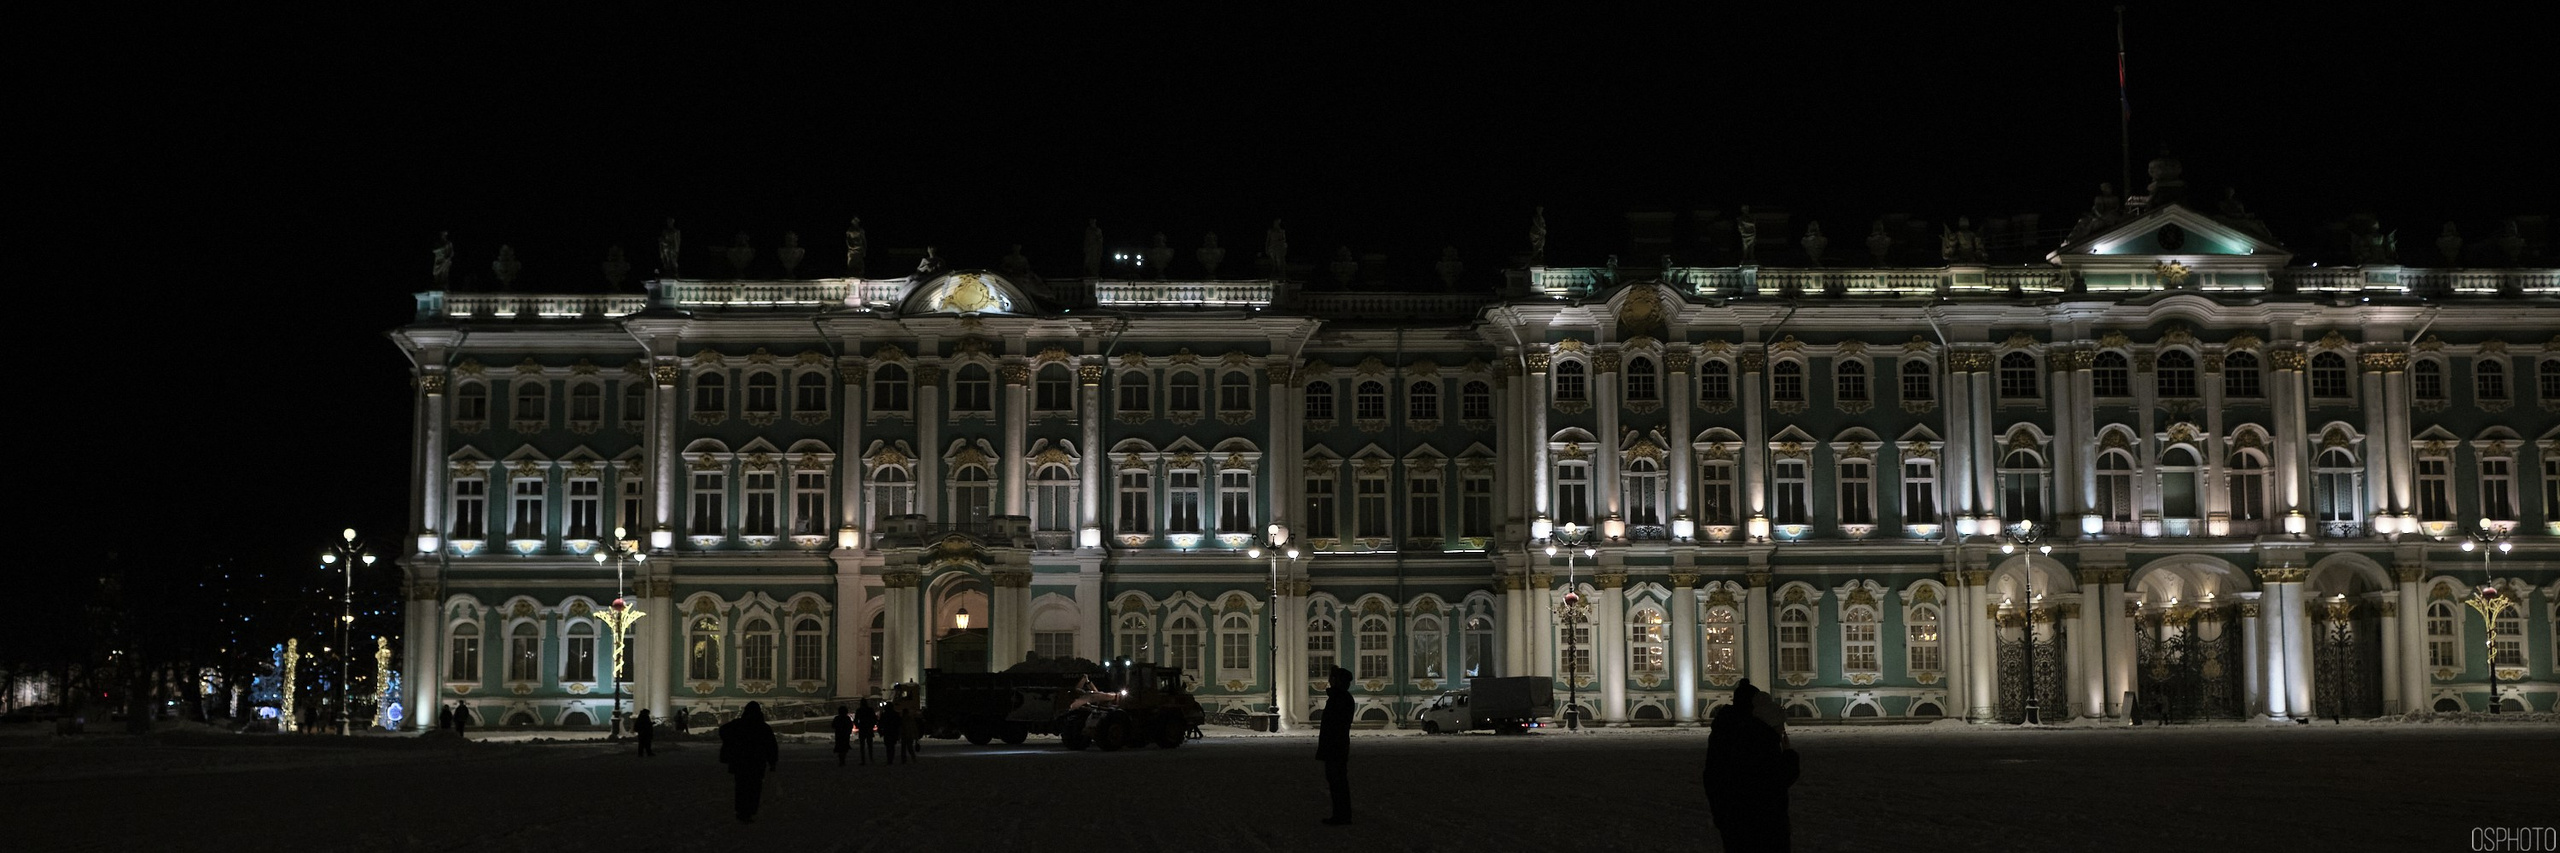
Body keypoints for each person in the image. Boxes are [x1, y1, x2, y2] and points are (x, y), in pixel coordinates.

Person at [1703, 679, 1792, 852]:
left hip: (1732, 819)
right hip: (1762, 823)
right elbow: (1777, 779)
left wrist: (1720, 815)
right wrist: (1789, 755)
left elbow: (1712, 777)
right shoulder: (1758, 738)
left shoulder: (1725, 730)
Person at [719, 702, 780, 823]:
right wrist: (772, 763)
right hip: (757, 763)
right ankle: (750, 810)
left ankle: (741, 811)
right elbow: (771, 747)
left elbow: (723, 731)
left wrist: (732, 742)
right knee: (755, 787)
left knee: (741, 787)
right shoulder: (763, 728)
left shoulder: (739, 725)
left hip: (740, 762)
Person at [1316, 665, 1355, 825]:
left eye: (1333, 678)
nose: (1329, 681)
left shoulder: (1339, 698)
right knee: (1336, 781)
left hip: (1335, 747)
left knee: (1337, 782)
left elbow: (1334, 725)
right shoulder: (1340, 697)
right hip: (1336, 746)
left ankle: (1341, 816)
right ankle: (1341, 814)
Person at [879, 697, 905, 765]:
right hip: (893, 732)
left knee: (888, 746)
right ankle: (891, 759)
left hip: (887, 732)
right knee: (892, 746)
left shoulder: (884, 715)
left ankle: (889, 759)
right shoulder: (895, 714)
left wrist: (881, 731)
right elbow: (899, 723)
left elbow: (880, 723)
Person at [853, 699, 879, 765]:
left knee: (862, 746)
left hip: (862, 728)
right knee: (870, 745)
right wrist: (872, 725)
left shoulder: (859, 710)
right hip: (869, 728)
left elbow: (856, 720)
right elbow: (875, 719)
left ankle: (863, 760)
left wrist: (858, 726)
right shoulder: (870, 710)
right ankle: (871, 758)